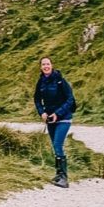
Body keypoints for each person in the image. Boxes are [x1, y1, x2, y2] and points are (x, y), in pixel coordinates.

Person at [33, 56, 75, 188]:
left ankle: (64, 178)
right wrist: (42, 112)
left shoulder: (60, 81)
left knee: (57, 144)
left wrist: (58, 113)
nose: (46, 66)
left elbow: (70, 99)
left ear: (52, 65)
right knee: (55, 146)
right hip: (50, 118)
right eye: (43, 64)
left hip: (64, 118)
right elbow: (37, 100)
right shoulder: (40, 82)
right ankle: (58, 174)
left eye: (48, 64)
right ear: (41, 67)